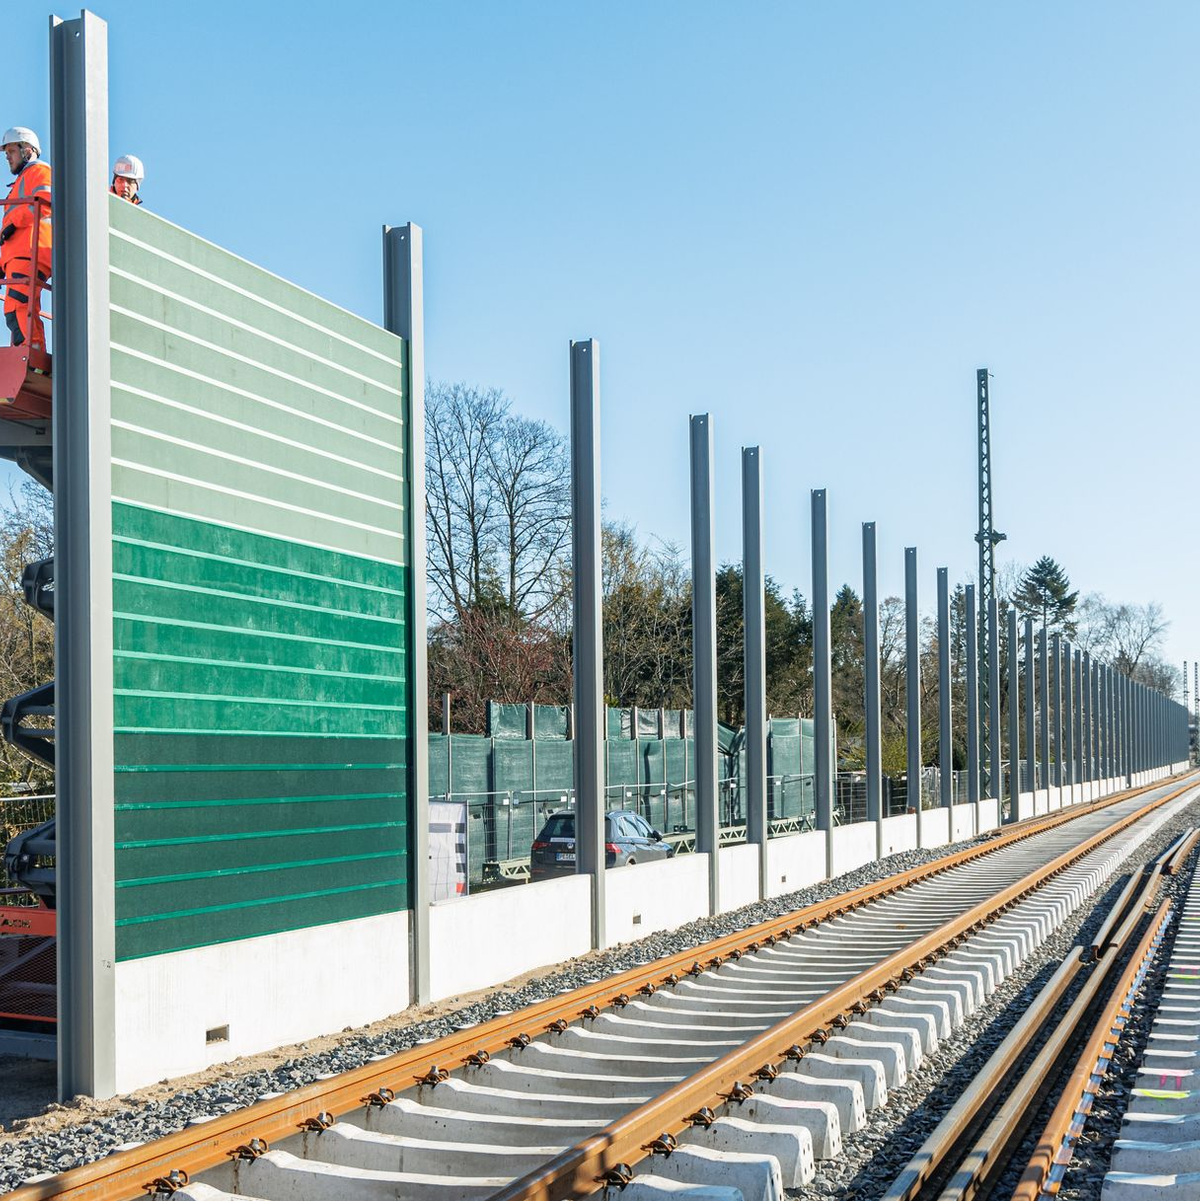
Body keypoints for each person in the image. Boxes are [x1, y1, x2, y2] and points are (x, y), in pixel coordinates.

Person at [0, 127, 51, 349]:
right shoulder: (21, 181)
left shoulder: (40, 172)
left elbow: (45, 202)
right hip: (20, 255)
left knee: (18, 306)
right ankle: (30, 353)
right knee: (20, 306)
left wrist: (12, 223)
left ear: (28, 150)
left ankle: (31, 355)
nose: (7, 157)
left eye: (11, 151)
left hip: (32, 250)